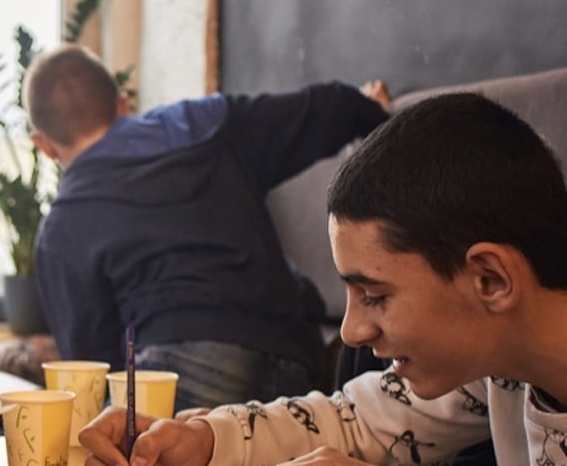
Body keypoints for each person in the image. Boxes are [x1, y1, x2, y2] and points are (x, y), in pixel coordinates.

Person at [80, 92, 567, 466]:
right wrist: (203, 441)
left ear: (490, 278)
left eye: (375, 295)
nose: (352, 330)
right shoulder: (504, 373)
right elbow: (359, 420)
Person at [25, 44, 390, 408]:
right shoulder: (205, 124)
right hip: (297, 361)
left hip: (175, 377)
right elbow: (332, 107)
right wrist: (373, 114)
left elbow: (89, 372)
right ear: (123, 105)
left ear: (43, 145)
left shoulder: (60, 229)